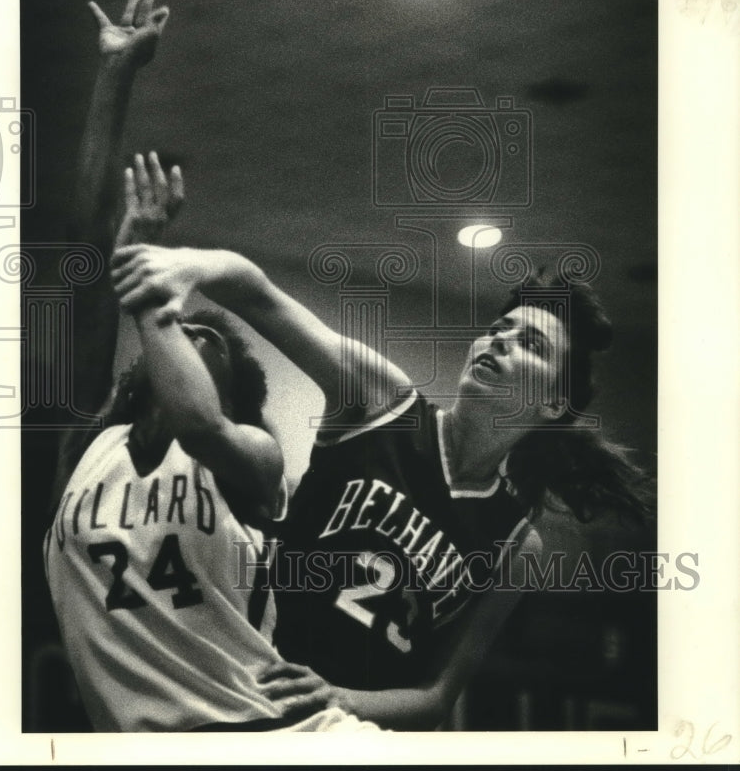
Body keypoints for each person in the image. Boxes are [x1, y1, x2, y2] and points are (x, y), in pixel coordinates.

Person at [110, 242, 651, 730]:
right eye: (498, 329)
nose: (499, 341)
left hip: (346, 731)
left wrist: (339, 698)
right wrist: (190, 266)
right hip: (249, 675)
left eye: (529, 343)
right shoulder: (383, 402)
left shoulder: (516, 543)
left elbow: (435, 696)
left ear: (554, 404)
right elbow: (259, 294)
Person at [44, 0, 380, 733]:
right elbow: (84, 246)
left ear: (234, 393)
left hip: (279, 737)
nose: (188, 332)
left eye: (212, 342)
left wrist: (148, 285)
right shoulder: (87, 448)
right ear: (137, 374)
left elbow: (198, 424)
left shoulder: (251, 460)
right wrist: (115, 76)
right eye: (182, 332)